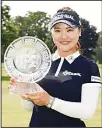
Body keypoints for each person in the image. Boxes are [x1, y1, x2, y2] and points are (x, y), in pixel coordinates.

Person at [9, 7, 101, 127]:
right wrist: (25, 93)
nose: (63, 36)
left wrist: (50, 101)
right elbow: (30, 108)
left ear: (79, 31)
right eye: (57, 30)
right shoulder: (39, 63)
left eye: (69, 30)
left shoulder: (89, 67)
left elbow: (87, 112)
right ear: (52, 32)